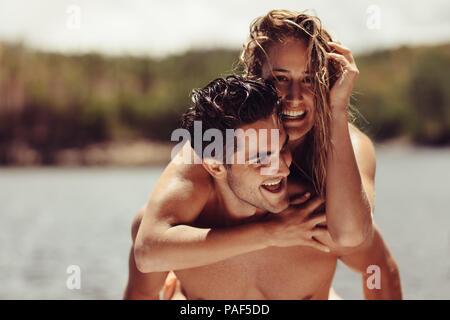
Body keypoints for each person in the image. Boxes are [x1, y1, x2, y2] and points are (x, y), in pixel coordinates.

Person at [125, 9, 402, 300]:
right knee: (144, 221)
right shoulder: (213, 147)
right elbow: (148, 248)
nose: (295, 96)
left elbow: (355, 239)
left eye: (309, 79)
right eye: (281, 78)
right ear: (255, 79)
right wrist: (272, 232)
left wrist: (337, 108)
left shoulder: (349, 148)